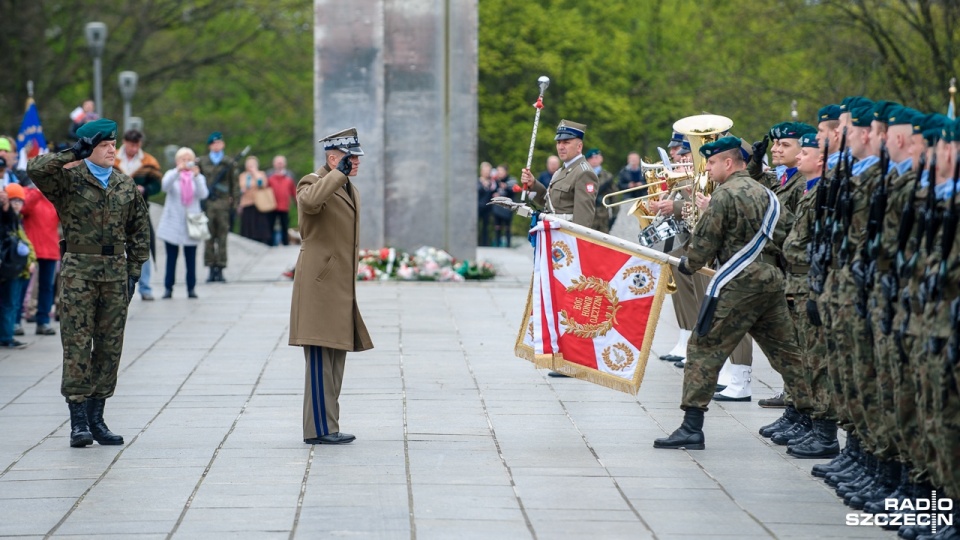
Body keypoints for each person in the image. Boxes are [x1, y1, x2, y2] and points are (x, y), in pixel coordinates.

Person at [653, 136, 802, 450]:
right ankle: (817, 421)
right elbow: (789, 233)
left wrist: (688, 263)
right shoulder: (768, 194)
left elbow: (703, 245)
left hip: (738, 283)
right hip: (771, 281)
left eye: (711, 162)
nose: (707, 168)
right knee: (788, 354)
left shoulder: (724, 195)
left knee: (703, 349)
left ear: (729, 163)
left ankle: (691, 426)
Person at [27, 118, 150, 448]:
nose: (112, 149)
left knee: (109, 347)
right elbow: (35, 169)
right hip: (79, 273)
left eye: (113, 144)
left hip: (114, 274)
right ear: (88, 149)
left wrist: (134, 271)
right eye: (104, 145)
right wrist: (71, 154)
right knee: (77, 345)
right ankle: (78, 421)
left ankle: (98, 417)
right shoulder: (67, 180)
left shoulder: (124, 186)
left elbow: (140, 230)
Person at [289, 127, 373, 445]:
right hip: (319, 285)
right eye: (351, 159)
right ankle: (318, 429)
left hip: (338, 287)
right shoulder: (313, 181)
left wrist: (341, 177)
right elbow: (310, 203)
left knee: (335, 360)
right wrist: (337, 175)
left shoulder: (350, 188)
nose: (356, 164)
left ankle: (329, 425)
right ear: (334, 158)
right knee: (320, 361)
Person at [519, 119, 600, 228]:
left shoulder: (584, 172)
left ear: (579, 146)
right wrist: (533, 184)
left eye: (566, 142)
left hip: (566, 240)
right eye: (558, 142)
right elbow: (549, 203)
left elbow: (583, 220)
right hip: (554, 234)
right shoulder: (560, 171)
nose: (561, 147)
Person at [114, 129, 162, 301]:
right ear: (125, 142)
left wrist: (146, 189)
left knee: (144, 246)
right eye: (131, 145)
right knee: (116, 246)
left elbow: (157, 184)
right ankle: (119, 287)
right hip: (116, 210)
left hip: (141, 209)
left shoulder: (148, 161)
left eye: (137, 145)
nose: (134, 148)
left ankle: (145, 287)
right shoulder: (113, 158)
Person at [156, 147, 209, 299]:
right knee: (171, 258)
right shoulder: (172, 175)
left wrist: (198, 177)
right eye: (182, 159)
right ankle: (168, 288)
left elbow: (204, 194)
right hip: (173, 221)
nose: (186, 163)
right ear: (177, 161)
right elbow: (164, 187)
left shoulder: (197, 177)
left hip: (191, 223)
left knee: (191, 258)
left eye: (188, 159)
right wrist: (176, 171)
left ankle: (191, 288)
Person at [17, 176, 59, 336]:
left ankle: (43, 321)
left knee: (47, 287)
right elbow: (23, 208)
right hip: (32, 248)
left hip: (50, 247)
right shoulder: (28, 192)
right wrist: (37, 191)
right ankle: (15, 322)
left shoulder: (53, 197)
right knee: (23, 285)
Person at [197, 132, 238, 283]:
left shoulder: (228, 162)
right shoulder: (202, 162)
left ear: (223, 144)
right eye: (214, 143)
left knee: (222, 237)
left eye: (219, 143)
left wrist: (234, 205)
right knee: (208, 238)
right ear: (210, 146)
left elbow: (234, 185)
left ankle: (220, 268)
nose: (217, 145)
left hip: (223, 204)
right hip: (208, 203)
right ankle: (210, 268)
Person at [0, 183, 35, 349]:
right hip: (10, 267)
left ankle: (7, 334)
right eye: (12, 200)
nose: (16, 204)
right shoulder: (8, 219)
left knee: (12, 303)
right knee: (9, 303)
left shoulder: (17, 221)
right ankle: (6, 336)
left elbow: (25, 245)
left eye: (19, 201)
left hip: (17, 267)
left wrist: (31, 260)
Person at [238, 156, 273, 245]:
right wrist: (240, 204)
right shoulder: (243, 175)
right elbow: (241, 188)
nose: (250, 166)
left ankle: (261, 241)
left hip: (258, 202)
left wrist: (255, 173)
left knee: (259, 224)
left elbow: (262, 185)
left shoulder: (261, 174)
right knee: (247, 225)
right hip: (246, 202)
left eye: (252, 165)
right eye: (249, 165)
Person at [266, 156, 297, 246]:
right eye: (278, 162)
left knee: (285, 225)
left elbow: (293, 191)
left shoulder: (289, 176)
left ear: (284, 164)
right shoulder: (269, 176)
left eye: (281, 162)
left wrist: (297, 202)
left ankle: (285, 243)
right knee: (270, 225)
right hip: (272, 205)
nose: (279, 164)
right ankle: (270, 244)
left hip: (284, 205)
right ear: (274, 164)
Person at [585, 148, 615, 233]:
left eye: (597, 157)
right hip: (588, 216)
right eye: (591, 158)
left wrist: (614, 216)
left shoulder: (607, 176)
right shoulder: (583, 176)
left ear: (601, 159)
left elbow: (614, 196)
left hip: (603, 216)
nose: (594, 160)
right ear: (587, 160)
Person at [491, 164, 518, 247]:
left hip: (508, 206)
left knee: (507, 226)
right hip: (497, 206)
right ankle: (498, 244)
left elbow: (514, 191)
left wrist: (506, 187)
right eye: (498, 171)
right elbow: (490, 191)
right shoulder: (495, 181)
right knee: (497, 226)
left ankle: (508, 245)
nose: (499, 173)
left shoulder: (511, 180)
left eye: (501, 171)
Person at [477, 162, 496, 247]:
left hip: (488, 207)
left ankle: (485, 244)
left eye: (489, 171)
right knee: (476, 227)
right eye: (486, 171)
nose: (487, 173)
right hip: (478, 207)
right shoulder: (478, 181)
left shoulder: (492, 183)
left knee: (486, 227)